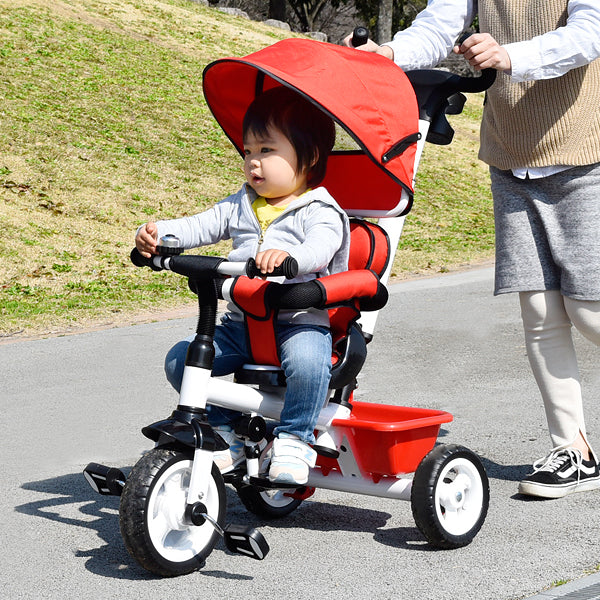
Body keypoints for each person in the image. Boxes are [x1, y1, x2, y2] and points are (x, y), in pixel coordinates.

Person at [345, 0, 600, 498]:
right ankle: (574, 451)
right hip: (510, 153)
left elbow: (589, 33)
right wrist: (389, 52)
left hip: (583, 152)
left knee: (590, 312)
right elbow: (439, 25)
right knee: (541, 312)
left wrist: (509, 55)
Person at [135, 86, 350, 485]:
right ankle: (228, 430)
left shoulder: (320, 210)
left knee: (307, 366)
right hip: (242, 325)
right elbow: (199, 225)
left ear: (310, 156)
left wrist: (289, 259)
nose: (253, 162)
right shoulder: (241, 203)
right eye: (248, 151)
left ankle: (294, 438)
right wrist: (156, 234)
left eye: (267, 150)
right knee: (182, 360)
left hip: (299, 321)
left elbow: (322, 249)